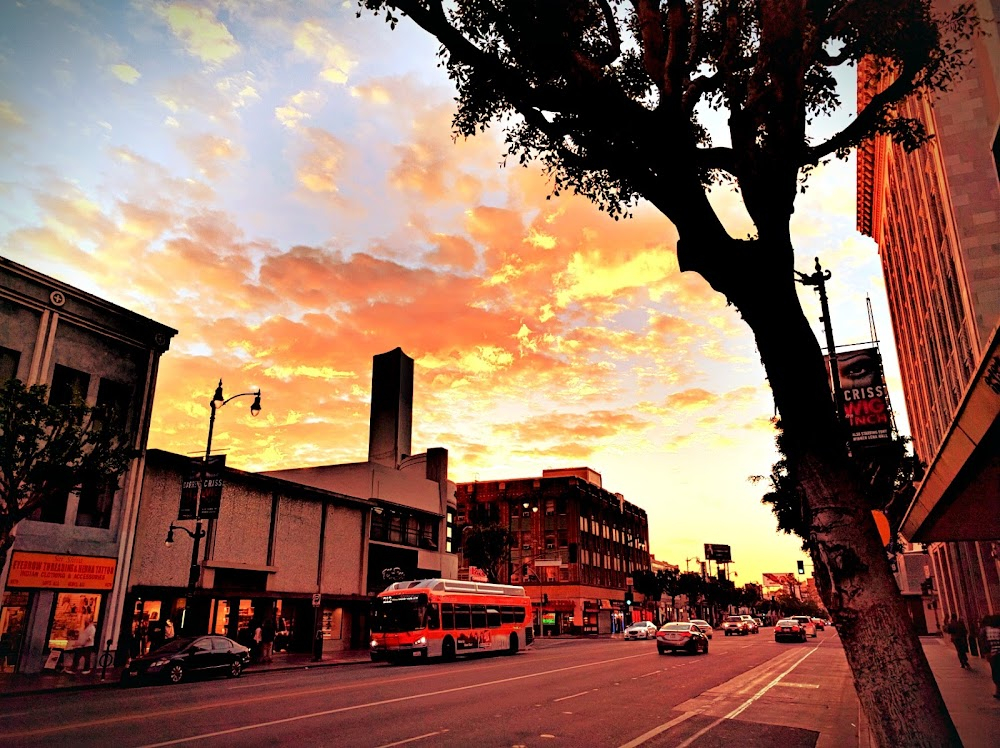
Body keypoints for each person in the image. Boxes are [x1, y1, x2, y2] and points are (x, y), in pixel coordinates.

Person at [982, 614, 1000, 700]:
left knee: (996, 672)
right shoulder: (998, 631)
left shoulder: (988, 631)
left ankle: (997, 690)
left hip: (993, 655)